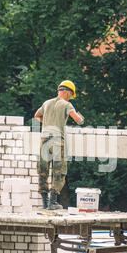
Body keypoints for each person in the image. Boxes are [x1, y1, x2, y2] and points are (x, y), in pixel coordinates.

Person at [34, 80, 85, 209]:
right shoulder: (67, 104)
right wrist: (81, 118)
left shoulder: (47, 103)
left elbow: (36, 115)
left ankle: (45, 203)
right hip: (57, 140)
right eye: (71, 95)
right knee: (59, 171)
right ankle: (52, 203)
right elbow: (78, 120)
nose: (70, 97)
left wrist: (46, 122)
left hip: (44, 139)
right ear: (67, 92)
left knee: (43, 170)